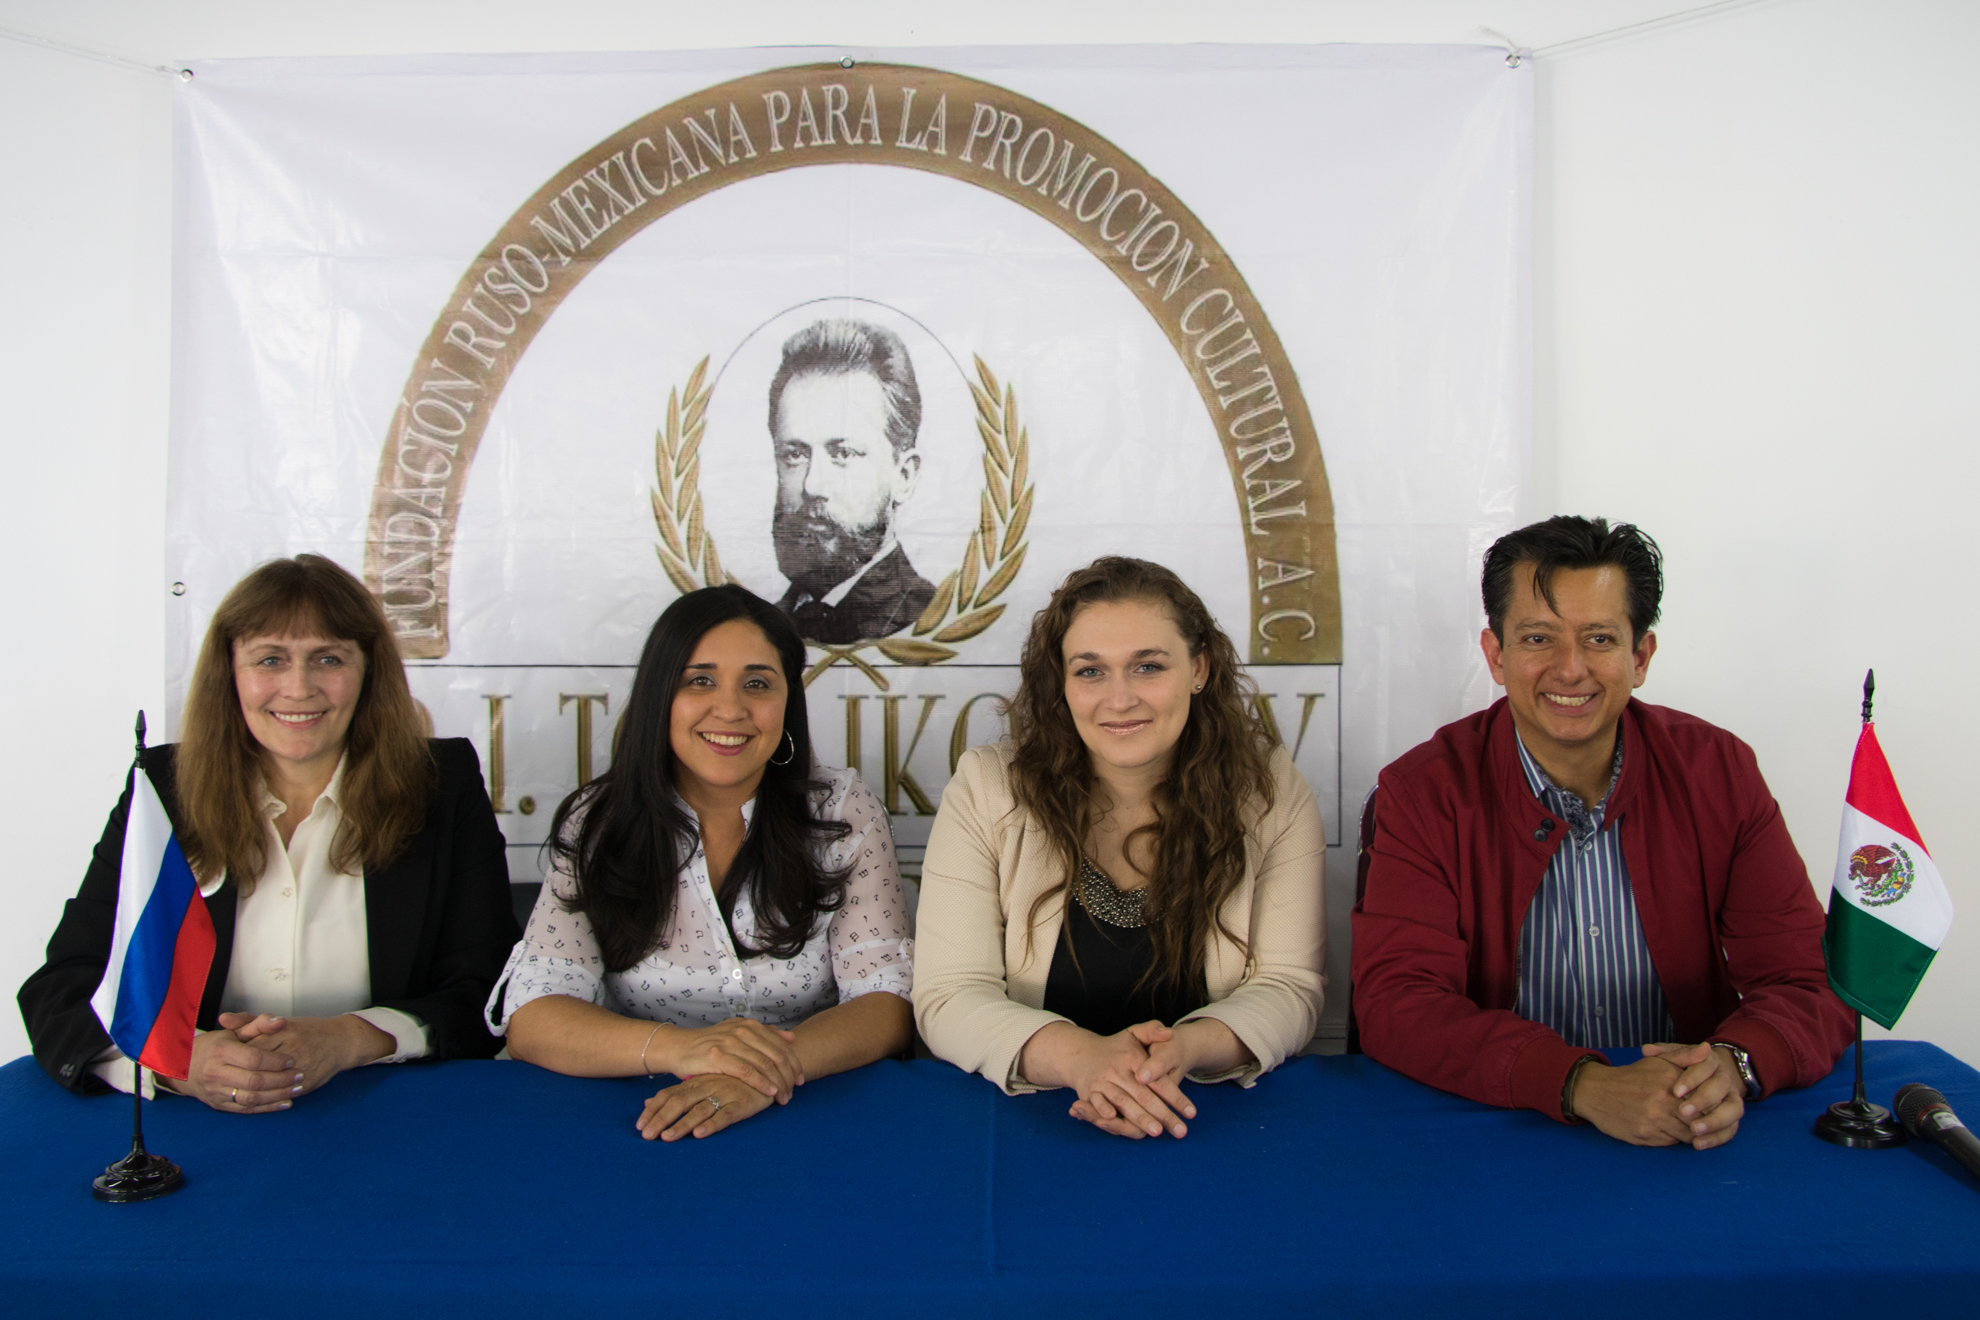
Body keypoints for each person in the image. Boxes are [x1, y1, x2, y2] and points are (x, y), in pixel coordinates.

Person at [1351, 516, 1854, 1150]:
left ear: (1640, 657)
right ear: (1495, 655)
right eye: (1538, 638)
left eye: (1599, 639)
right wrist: (1578, 1083)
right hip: (1504, 1127)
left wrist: (1733, 1065)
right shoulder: (1424, 791)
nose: (1570, 669)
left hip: (1685, 1125)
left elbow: (1810, 980)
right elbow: (1398, 1003)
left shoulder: (1718, 772)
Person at [20, 554, 518, 1110]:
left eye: (328, 658)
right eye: (270, 659)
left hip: (388, 1110)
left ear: (369, 672)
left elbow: (488, 988)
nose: (299, 688)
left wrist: (350, 1038)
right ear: (229, 673)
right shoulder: (165, 789)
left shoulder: (442, 787)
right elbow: (64, 988)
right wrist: (184, 1061)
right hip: (203, 1120)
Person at [915, 557, 1326, 1140]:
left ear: (1200, 669)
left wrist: (1179, 1052)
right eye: (1090, 672)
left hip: (1205, 1120)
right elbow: (948, 994)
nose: (1119, 698)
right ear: (1060, 681)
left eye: (1148, 666)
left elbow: (1289, 987)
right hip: (1026, 1125)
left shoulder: (1269, 789)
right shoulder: (987, 786)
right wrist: (1082, 1060)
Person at [489, 584, 913, 1141]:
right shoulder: (598, 822)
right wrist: (687, 1050)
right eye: (700, 680)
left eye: (757, 683)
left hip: (808, 1107)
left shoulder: (842, 810)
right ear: (660, 694)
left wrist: (756, 1077)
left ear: (788, 703)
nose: (731, 709)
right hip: (634, 1115)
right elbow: (534, 1015)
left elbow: (885, 1003)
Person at [768, 318, 936, 644]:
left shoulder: (933, 616)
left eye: (843, 454)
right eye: (794, 455)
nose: (811, 485)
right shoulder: (762, 627)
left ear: (904, 475)